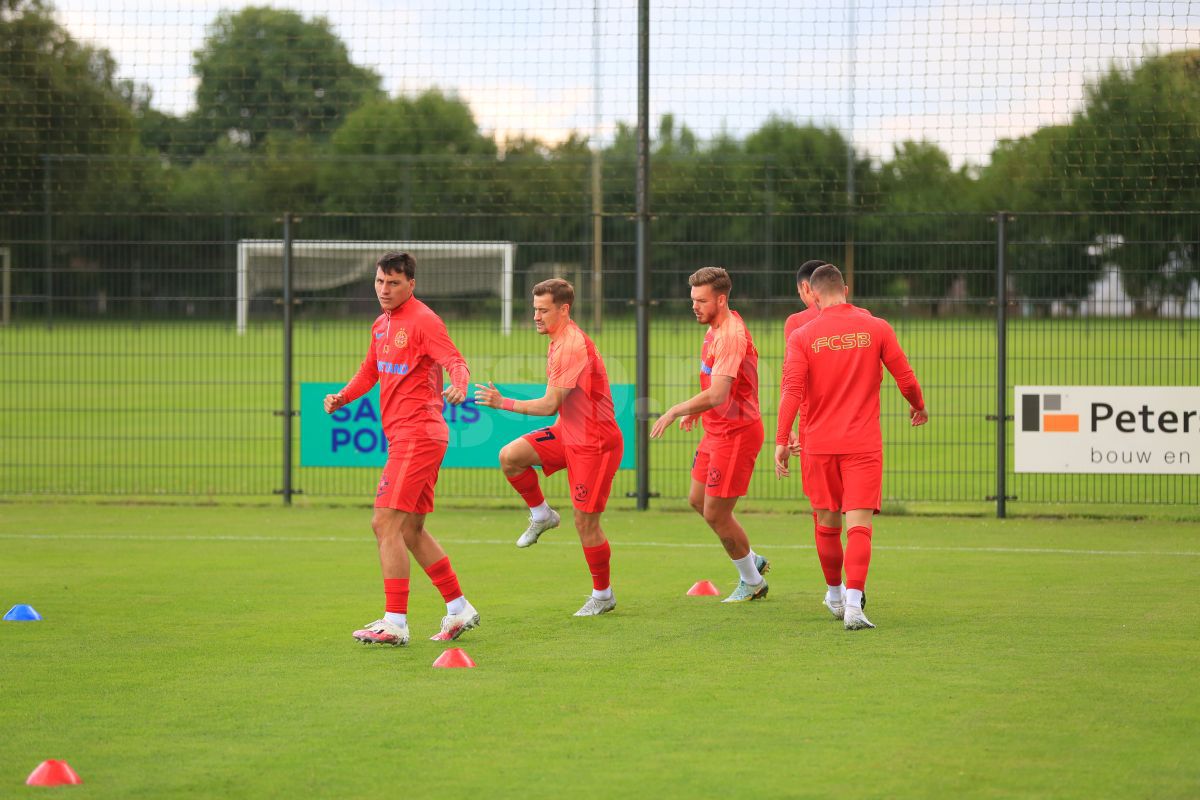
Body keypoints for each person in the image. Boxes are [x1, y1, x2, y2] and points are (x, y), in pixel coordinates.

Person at [324, 251, 480, 646]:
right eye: (380, 281)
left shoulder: (424, 320)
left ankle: (395, 622)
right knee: (410, 529)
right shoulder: (381, 324)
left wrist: (460, 384)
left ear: (411, 284)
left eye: (393, 283)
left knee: (384, 523)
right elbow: (369, 372)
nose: (384, 289)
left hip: (418, 434)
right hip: (411, 436)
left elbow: (455, 360)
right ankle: (459, 607)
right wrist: (343, 397)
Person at [774, 264, 928, 630]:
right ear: (845, 289)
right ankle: (855, 605)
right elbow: (905, 378)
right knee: (859, 526)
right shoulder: (877, 327)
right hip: (862, 443)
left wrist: (781, 439)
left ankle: (834, 594)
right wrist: (918, 404)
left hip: (818, 445)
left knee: (826, 525)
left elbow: (791, 390)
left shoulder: (802, 335)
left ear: (813, 294)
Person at [474, 279, 624, 617]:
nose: (535, 316)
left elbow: (548, 405)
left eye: (543, 310)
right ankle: (542, 515)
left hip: (595, 443)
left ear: (564, 309)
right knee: (510, 456)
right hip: (568, 432)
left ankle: (603, 595)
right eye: (535, 309)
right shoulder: (558, 340)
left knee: (585, 523)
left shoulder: (570, 345)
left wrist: (502, 402)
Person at [650, 267, 770, 603]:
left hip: (737, 434)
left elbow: (718, 394)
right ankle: (752, 559)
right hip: (716, 430)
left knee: (716, 513)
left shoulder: (730, 335)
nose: (694, 306)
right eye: (693, 299)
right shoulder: (714, 327)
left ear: (721, 299)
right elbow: (717, 384)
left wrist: (677, 410)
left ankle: (752, 581)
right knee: (698, 500)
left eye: (701, 300)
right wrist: (698, 411)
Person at [782, 259, 829, 458]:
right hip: (857, 429)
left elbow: (791, 380)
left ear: (805, 287)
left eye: (799, 292)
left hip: (813, 426)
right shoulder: (863, 318)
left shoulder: (796, 323)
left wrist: (785, 430)